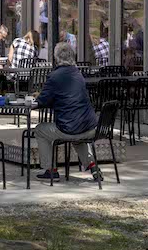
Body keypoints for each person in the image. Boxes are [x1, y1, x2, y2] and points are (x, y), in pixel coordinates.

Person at [34, 42, 103, 182]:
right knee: (77, 135)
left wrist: (36, 98)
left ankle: (50, 170)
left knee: (40, 130)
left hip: (71, 129)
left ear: (56, 58)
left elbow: (42, 101)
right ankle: (93, 166)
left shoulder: (54, 76)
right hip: (90, 127)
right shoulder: (78, 74)